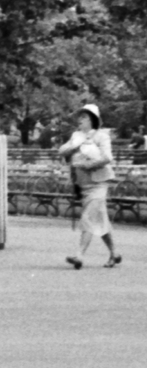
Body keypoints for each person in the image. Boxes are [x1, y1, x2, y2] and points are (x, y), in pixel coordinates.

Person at [58, 103, 122, 269]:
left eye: (84, 117)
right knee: (100, 220)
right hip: (83, 185)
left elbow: (107, 157)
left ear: (92, 120)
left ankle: (79, 255)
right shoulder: (76, 135)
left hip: (99, 183)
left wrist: (90, 164)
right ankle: (114, 254)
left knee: (88, 217)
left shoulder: (102, 136)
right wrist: (74, 147)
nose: (80, 120)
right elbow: (62, 150)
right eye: (79, 116)